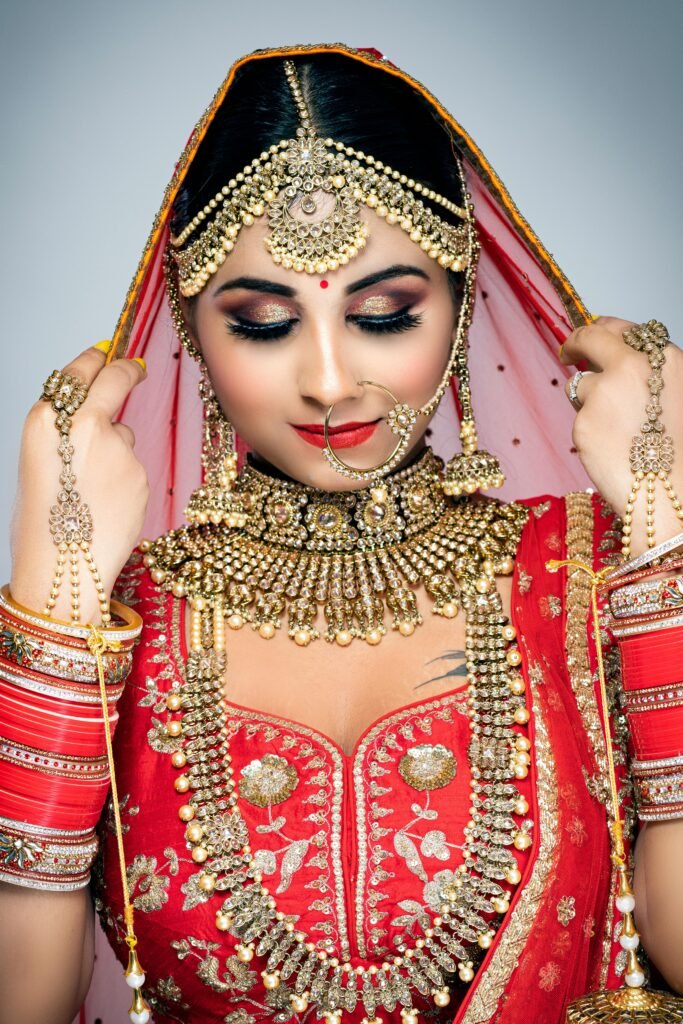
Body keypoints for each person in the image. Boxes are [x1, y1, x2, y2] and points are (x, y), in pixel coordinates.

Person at [1, 43, 682, 1024]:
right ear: (192, 329)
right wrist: (55, 587)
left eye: (381, 313)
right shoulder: (125, 627)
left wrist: (662, 519)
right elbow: (24, 1000)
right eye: (265, 325)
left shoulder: (580, 575)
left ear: (454, 308)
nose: (328, 379)